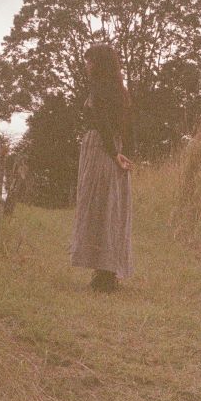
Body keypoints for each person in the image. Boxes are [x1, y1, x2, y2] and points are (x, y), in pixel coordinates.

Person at [68, 42, 134, 292]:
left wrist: (113, 152)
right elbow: (127, 125)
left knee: (98, 207)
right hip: (114, 149)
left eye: (90, 60)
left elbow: (103, 123)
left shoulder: (99, 89)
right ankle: (107, 272)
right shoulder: (121, 91)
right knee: (111, 208)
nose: (87, 65)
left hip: (101, 149)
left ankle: (104, 275)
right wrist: (125, 152)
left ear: (100, 64)